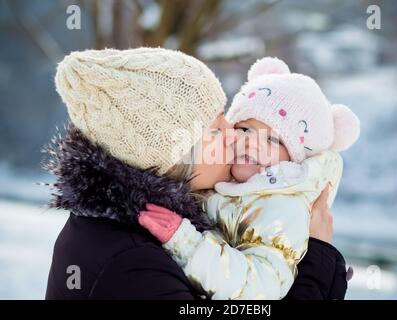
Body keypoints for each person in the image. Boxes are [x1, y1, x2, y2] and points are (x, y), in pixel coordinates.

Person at [44, 47, 349, 300]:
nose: (236, 136)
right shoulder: (135, 267)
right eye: (218, 129)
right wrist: (319, 262)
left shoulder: (131, 226)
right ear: (175, 155)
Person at [137, 57, 359, 299]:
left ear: (295, 163)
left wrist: (186, 243)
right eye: (244, 129)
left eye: (273, 140)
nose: (251, 142)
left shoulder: (280, 209)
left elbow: (258, 289)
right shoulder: (228, 186)